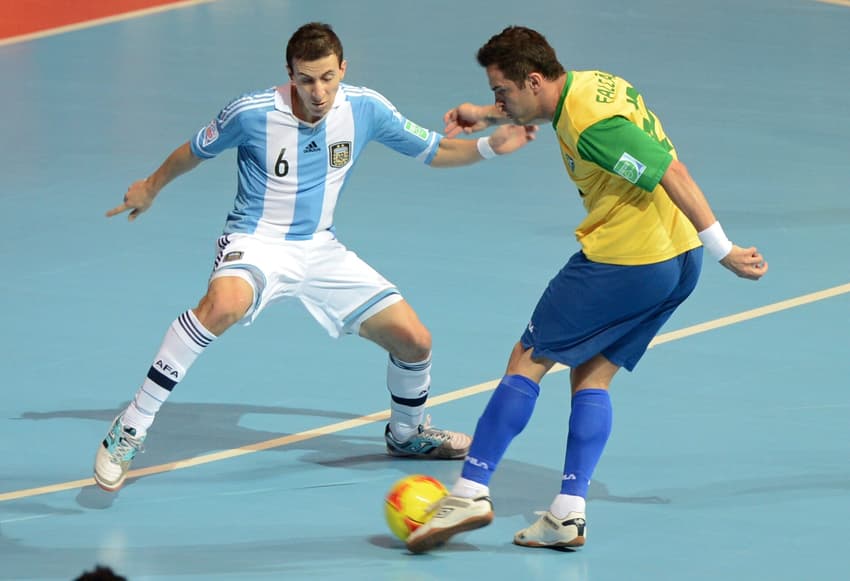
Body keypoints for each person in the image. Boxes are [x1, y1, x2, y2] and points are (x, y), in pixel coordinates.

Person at [93, 22, 536, 492]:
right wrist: (149, 188)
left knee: (415, 341)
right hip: (256, 240)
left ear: (342, 68)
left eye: (328, 77)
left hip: (321, 248)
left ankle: (407, 434)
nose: (319, 91)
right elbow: (193, 151)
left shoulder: (365, 107)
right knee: (222, 305)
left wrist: (489, 147)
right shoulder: (252, 112)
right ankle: (132, 424)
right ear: (290, 74)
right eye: (306, 80)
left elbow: (433, 148)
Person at [405, 25, 767, 553]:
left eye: (501, 91)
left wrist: (726, 250)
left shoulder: (591, 126)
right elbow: (545, 110)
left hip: (628, 260)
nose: (498, 99)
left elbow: (673, 172)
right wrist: (485, 116)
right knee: (592, 375)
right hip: (676, 261)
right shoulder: (589, 85)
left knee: (527, 357)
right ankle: (568, 513)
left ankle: (469, 490)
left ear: (532, 79)